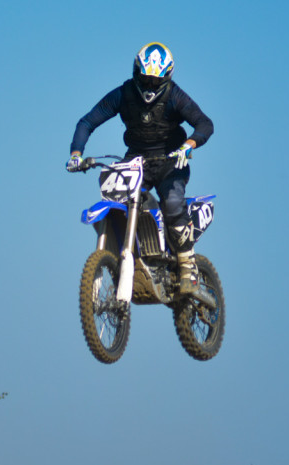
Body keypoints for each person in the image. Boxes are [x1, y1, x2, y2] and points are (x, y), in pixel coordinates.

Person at [66, 42, 214, 296]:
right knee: (119, 200)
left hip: (171, 161)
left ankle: (188, 266)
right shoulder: (123, 94)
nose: (149, 86)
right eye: (145, 79)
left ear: (167, 78)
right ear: (136, 72)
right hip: (136, 161)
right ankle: (130, 256)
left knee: (172, 203)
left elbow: (204, 123)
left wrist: (189, 144)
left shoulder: (175, 96)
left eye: (155, 82)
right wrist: (76, 154)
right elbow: (88, 121)